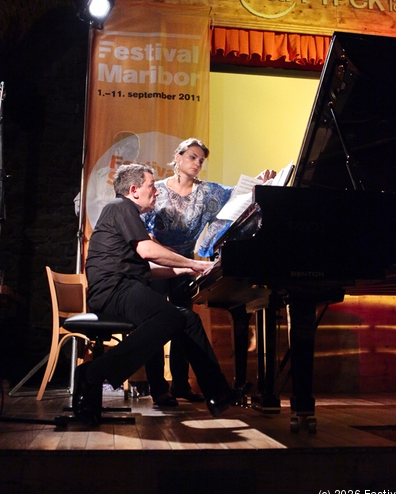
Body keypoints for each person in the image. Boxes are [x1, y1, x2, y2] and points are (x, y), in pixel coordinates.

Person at [74, 162, 240, 425]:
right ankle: (93, 373)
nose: (157, 192)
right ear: (134, 190)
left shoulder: (124, 212)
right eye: (152, 186)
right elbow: (148, 251)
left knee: (188, 318)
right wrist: (193, 262)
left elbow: (145, 268)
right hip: (113, 291)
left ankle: (217, 393)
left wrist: (188, 270)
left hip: (125, 287)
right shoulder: (120, 207)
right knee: (170, 317)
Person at [142, 138, 275, 403]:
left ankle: (181, 384)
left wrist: (262, 182)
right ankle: (158, 388)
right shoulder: (157, 190)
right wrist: (164, 255)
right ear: (178, 157)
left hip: (185, 265)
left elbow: (240, 196)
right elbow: (144, 229)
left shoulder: (209, 192)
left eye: (201, 160)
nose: (197, 163)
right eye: (192, 157)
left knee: (183, 323)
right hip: (156, 262)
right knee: (154, 323)